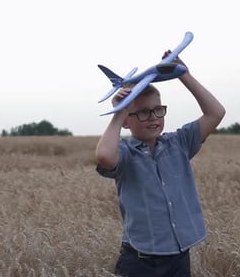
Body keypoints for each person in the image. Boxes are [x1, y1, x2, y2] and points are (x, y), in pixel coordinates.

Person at [95, 50, 226, 277]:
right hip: (139, 260)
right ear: (127, 122)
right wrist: (119, 112)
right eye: (143, 113)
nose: (154, 117)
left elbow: (216, 113)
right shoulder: (125, 153)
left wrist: (184, 75)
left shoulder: (180, 143)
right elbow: (104, 157)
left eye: (158, 110)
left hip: (178, 257)